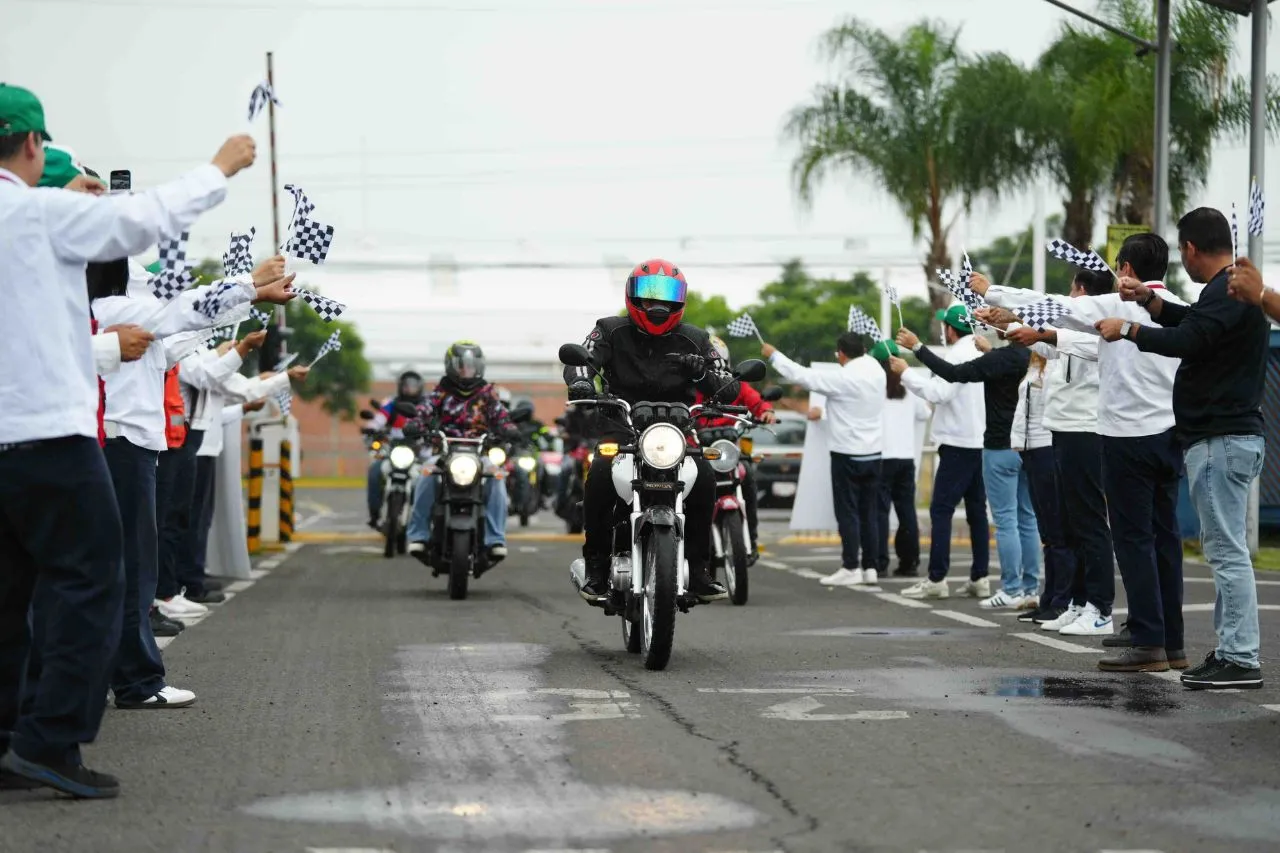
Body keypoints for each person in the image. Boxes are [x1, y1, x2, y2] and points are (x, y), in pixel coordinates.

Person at [0, 82, 258, 797]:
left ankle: (9, 740)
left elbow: (165, 308)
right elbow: (144, 219)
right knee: (93, 578)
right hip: (50, 435)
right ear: (32, 147)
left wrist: (240, 293)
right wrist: (221, 166)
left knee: (10, 592)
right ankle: (51, 741)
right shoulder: (34, 213)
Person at [1097, 208, 1269, 690]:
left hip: (1220, 438)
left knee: (1226, 552)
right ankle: (1233, 650)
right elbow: (1194, 321)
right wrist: (1148, 305)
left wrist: (1129, 329)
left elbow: (1189, 339)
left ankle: (1239, 656)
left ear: (1191, 249)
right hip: (1223, 437)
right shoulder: (1228, 291)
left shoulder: (1230, 290)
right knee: (1225, 548)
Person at [564, 259, 736, 602]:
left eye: (667, 297)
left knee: (704, 476)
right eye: (649, 296)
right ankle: (595, 566)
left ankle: (700, 570)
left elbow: (727, 386)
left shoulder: (697, 338)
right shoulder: (609, 329)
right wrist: (582, 384)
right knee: (599, 473)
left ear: (680, 300)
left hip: (675, 433)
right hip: (622, 426)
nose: (658, 305)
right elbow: (581, 360)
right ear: (632, 295)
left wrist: (703, 373)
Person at [974, 269, 1115, 633]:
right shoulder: (1075, 330)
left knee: (1086, 525)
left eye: (1072, 289)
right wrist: (1009, 327)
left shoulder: (1097, 321)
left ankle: (1098, 607)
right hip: (1063, 431)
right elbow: (1047, 343)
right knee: (1067, 526)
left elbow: (1046, 314)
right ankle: (1078, 601)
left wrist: (993, 293)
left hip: (1084, 429)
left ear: (1081, 291)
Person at [892, 318, 1037, 607]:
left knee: (961, 513)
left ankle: (944, 580)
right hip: (1024, 444)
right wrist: (987, 352)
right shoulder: (1032, 356)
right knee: (1015, 517)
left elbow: (945, 384)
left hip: (979, 445)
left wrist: (912, 359)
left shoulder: (973, 354)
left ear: (948, 329)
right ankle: (1012, 584)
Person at [763, 331, 885, 585]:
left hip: (847, 454)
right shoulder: (876, 370)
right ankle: (871, 567)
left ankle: (851, 566)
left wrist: (774, 355)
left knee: (848, 513)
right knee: (869, 513)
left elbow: (802, 376)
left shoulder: (844, 378)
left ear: (841, 353)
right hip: (874, 453)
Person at [891, 305, 989, 600]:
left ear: (949, 329)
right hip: (978, 440)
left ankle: (936, 578)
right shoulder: (977, 351)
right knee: (976, 512)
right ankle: (980, 576)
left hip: (958, 442)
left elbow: (939, 393)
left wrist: (906, 373)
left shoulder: (958, 354)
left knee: (941, 510)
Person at [405, 342, 518, 564]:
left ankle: (496, 540)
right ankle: (418, 535)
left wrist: (510, 429)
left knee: (497, 479)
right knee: (425, 476)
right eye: (462, 366)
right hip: (446, 451)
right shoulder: (440, 391)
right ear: (451, 366)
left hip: (480, 453)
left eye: (471, 365)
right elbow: (424, 410)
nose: (467, 370)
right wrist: (416, 423)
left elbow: (501, 416)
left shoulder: (488, 394)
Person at [695, 333, 777, 561]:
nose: (715, 368)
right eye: (710, 363)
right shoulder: (691, 387)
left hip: (729, 450)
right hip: (699, 450)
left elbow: (757, 401)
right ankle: (692, 547)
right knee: (690, 486)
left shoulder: (736, 384)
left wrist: (767, 412)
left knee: (747, 475)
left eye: (718, 363)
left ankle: (750, 539)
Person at [869, 340, 930, 578]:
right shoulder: (910, 386)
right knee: (906, 512)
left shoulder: (874, 386)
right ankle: (909, 562)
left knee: (880, 512)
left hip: (881, 457)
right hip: (905, 458)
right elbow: (924, 413)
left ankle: (879, 562)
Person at [367, 370, 426, 527]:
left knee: (430, 479)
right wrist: (372, 428)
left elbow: (434, 422)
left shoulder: (425, 406)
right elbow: (379, 419)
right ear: (401, 387)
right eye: (406, 385)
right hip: (394, 451)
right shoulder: (393, 404)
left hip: (418, 453)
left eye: (413, 386)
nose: (409, 389)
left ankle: (427, 522)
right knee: (374, 472)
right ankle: (375, 514)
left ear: (420, 387)